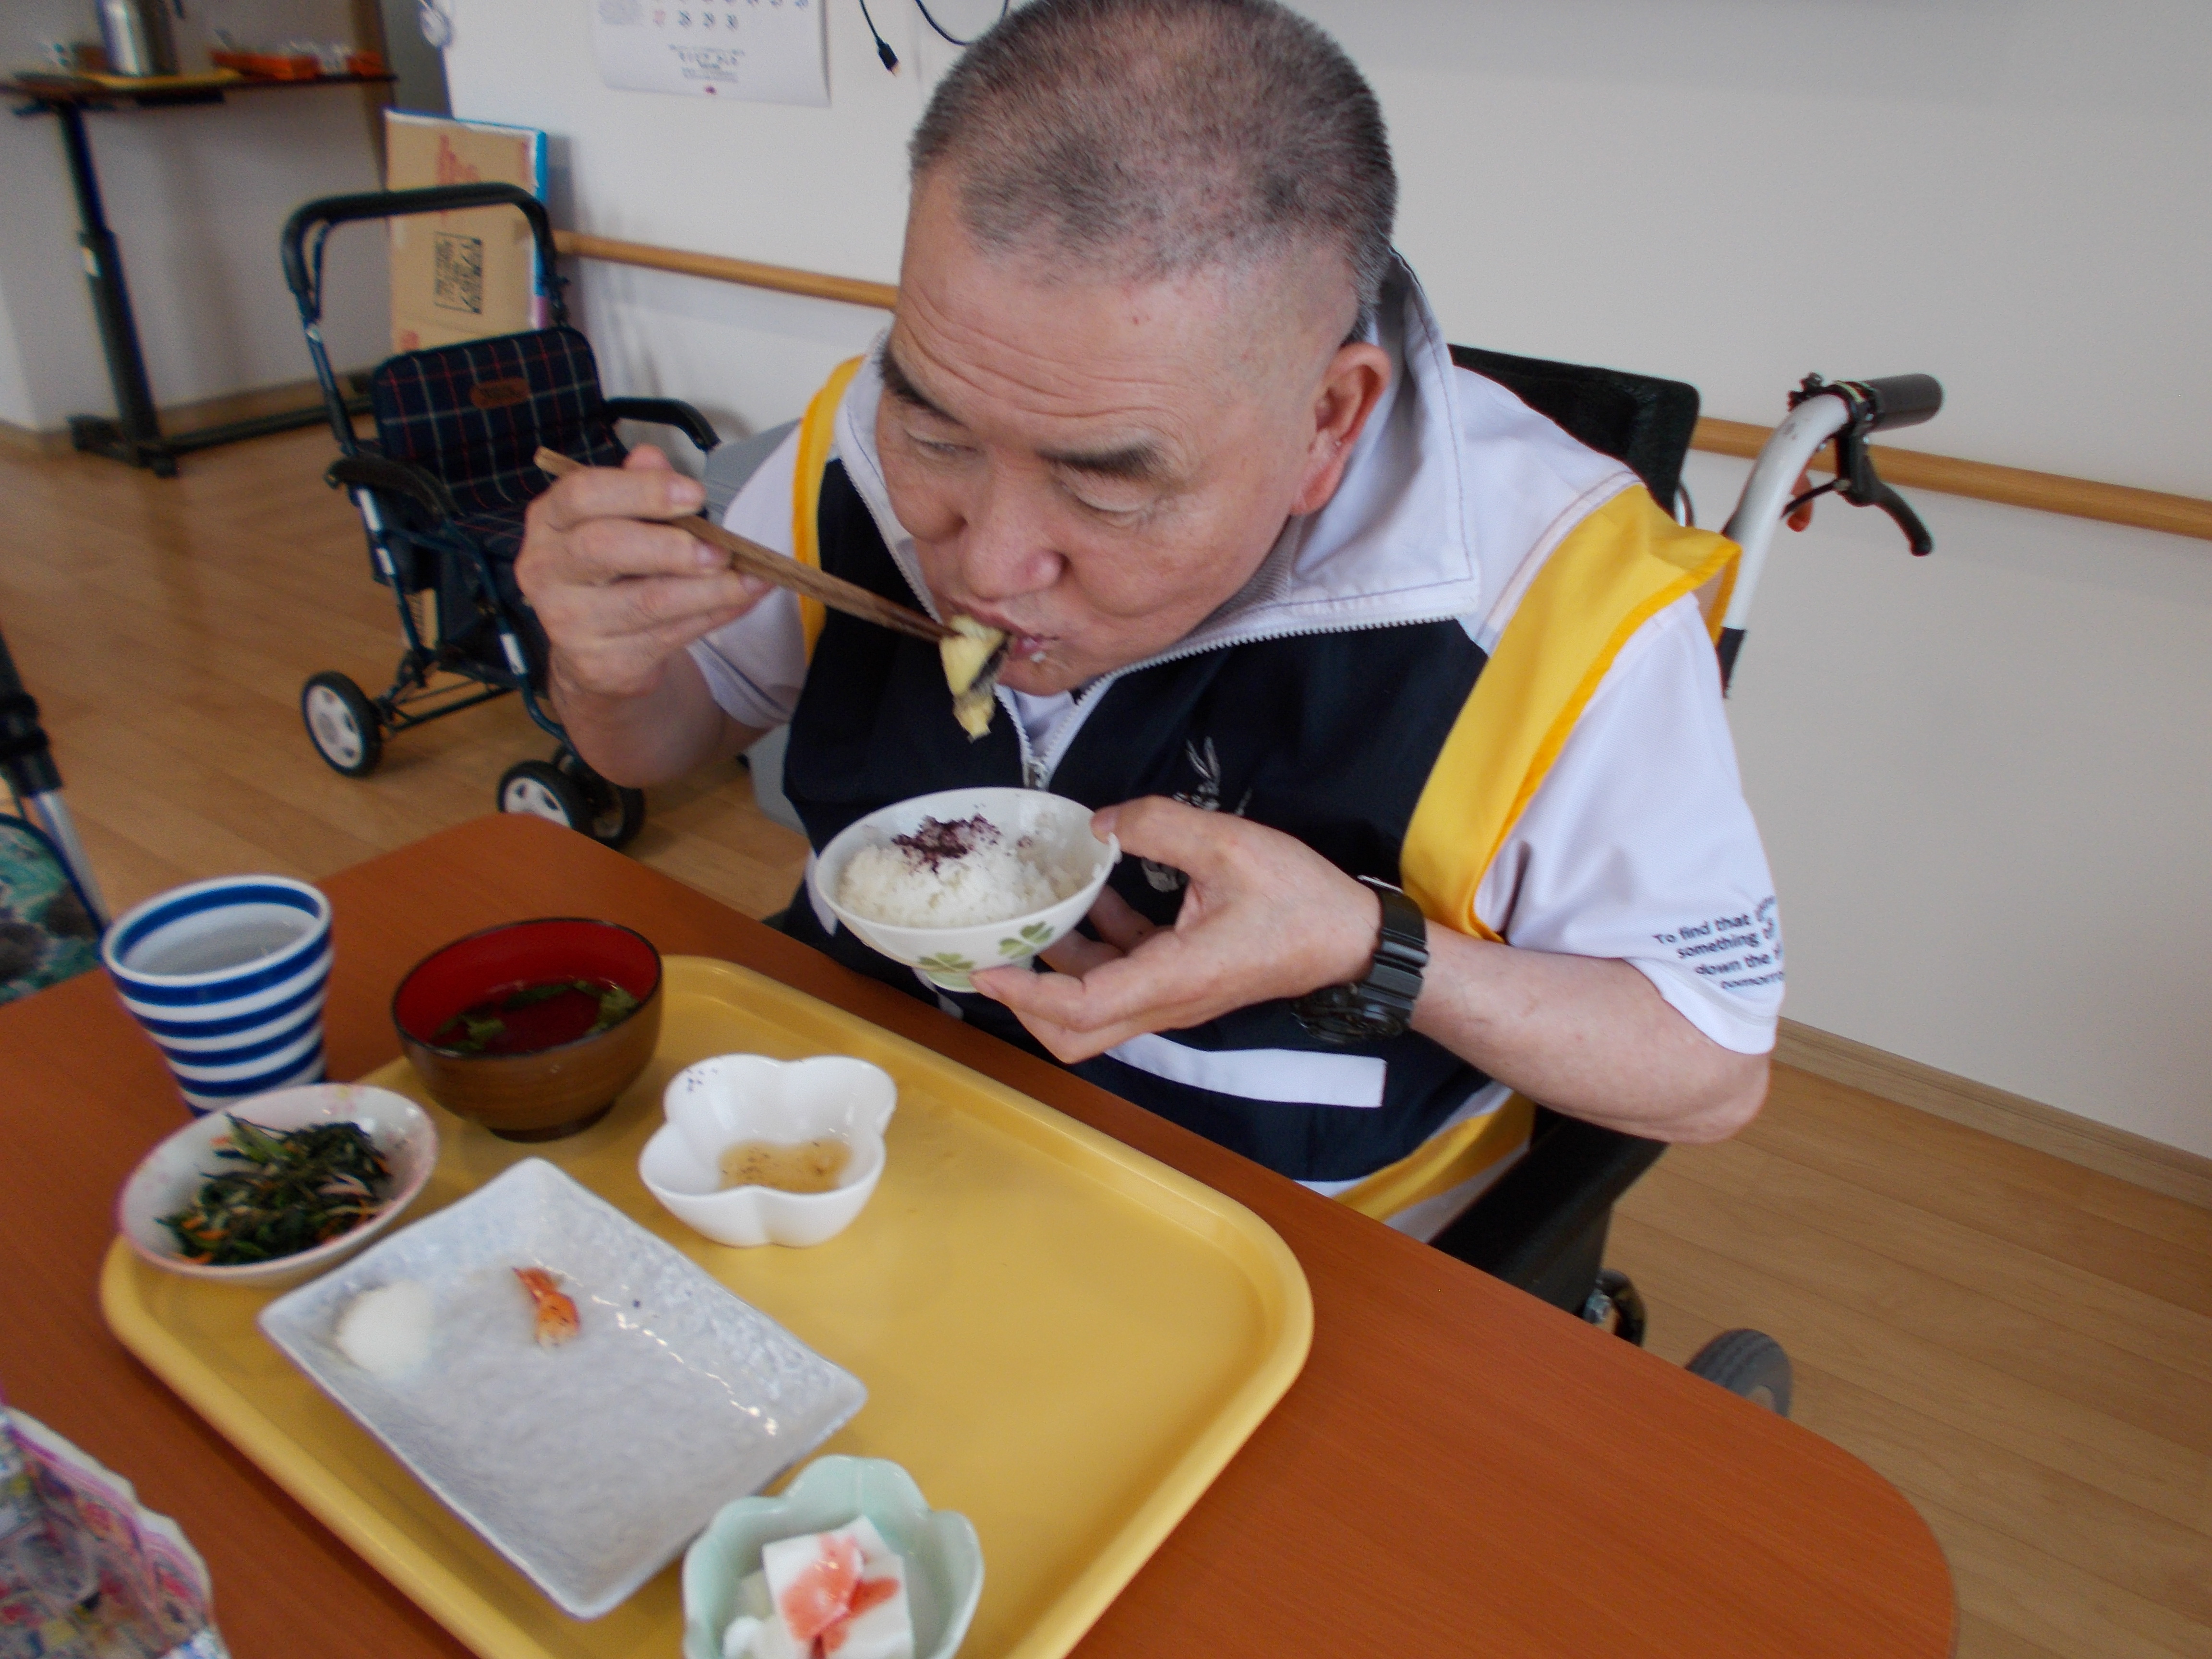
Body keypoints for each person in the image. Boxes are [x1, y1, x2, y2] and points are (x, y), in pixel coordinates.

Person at [517, 0, 1782, 1238]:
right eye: (939, 434)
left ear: (1328, 421)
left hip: (1263, 1242)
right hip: (849, 1132)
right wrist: (606, 665)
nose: (988, 566)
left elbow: (1710, 1067)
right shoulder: (862, 432)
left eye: (1106, 487)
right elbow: (660, 742)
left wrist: (1368, 945)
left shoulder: (1557, 603)